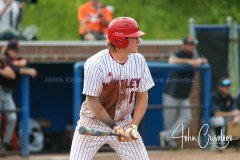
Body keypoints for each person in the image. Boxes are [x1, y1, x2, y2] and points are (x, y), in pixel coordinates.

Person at [70, 17, 155, 160]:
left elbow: (143, 96)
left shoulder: (139, 60)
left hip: (125, 122)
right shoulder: (96, 64)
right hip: (93, 122)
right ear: (120, 40)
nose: (139, 41)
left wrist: (133, 126)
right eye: (134, 38)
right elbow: (93, 103)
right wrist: (114, 127)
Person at [159, 35, 208, 149]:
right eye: (189, 44)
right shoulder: (180, 53)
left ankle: (166, 136)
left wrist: (200, 60)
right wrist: (190, 62)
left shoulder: (195, 54)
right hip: (171, 94)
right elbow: (171, 60)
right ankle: (168, 144)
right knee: (169, 122)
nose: (191, 47)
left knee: (187, 118)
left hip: (184, 95)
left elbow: (205, 60)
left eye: (193, 44)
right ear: (184, 45)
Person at [0, 39, 37, 155]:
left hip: (8, 93)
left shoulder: (10, 59)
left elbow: (25, 63)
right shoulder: (3, 58)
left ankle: (5, 144)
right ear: (8, 50)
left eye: (17, 51)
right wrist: (21, 68)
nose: (17, 53)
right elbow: (12, 72)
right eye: (14, 51)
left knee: (12, 118)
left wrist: (18, 65)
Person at [210, 78, 240, 149]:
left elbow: (236, 111)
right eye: (226, 86)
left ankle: (235, 142)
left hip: (225, 120)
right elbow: (217, 113)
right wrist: (232, 114)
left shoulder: (229, 97)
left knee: (238, 119)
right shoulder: (214, 97)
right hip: (210, 121)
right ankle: (219, 142)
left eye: (229, 86)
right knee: (219, 120)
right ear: (219, 88)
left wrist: (236, 117)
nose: (228, 88)